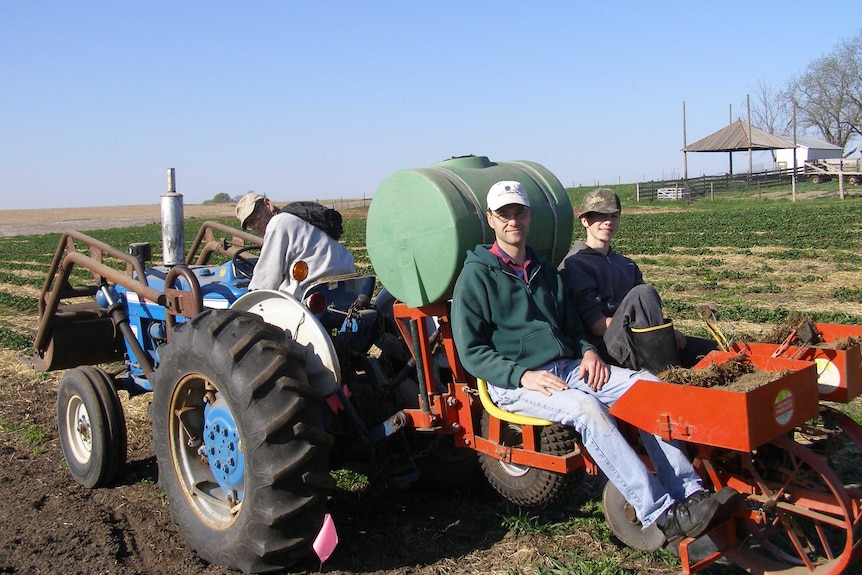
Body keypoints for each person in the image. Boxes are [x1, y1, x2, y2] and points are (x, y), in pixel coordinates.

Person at [451, 181, 736, 543]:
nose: (513, 221)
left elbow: (573, 325)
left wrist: (587, 350)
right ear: (491, 219)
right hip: (515, 382)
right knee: (588, 409)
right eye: (504, 214)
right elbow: (472, 352)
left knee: (649, 387)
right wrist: (522, 375)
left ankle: (690, 493)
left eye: (519, 212)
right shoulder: (476, 276)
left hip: (567, 367)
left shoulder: (543, 269)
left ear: (528, 215)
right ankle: (661, 513)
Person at [558, 188, 718, 371]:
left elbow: (649, 313)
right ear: (585, 220)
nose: (608, 222)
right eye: (600, 216)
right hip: (607, 348)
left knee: (712, 352)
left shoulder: (626, 264)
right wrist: (655, 336)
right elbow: (597, 325)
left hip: (643, 341)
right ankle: (664, 375)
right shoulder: (575, 264)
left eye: (613, 216)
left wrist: (667, 334)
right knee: (643, 293)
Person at [235, 192, 355, 291]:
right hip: (344, 286)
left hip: (310, 292)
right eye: (250, 224)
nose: (256, 225)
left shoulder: (278, 222)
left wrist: (252, 294)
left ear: (268, 204)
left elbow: (266, 279)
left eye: (256, 216)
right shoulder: (300, 219)